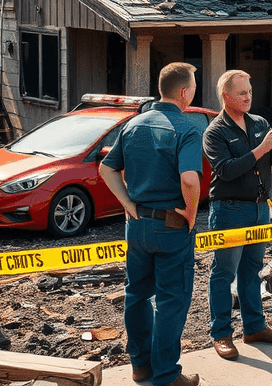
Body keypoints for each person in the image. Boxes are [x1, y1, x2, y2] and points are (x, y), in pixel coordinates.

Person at [100, 62, 202, 386]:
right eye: (194, 85)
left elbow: (106, 168)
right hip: (171, 227)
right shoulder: (186, 128)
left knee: (137, 294)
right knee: (173, 299)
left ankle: (140, 366)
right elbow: (189, 178)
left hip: (137, 224)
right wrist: (191, 213)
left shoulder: (133, 125)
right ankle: (167, 375)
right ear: (184, 92)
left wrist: (128, 203)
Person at [203, 69, 272, 360]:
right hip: (229, 209)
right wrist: (262, 146)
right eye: (241, 93)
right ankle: (222, 335)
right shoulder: (215, 131)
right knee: (223, 273)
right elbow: (226, 170)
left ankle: (254, 327)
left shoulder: (260, 123)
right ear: (225, 96)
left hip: (258, 207)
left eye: (250, 92)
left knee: (252, 270)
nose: (247, 97)